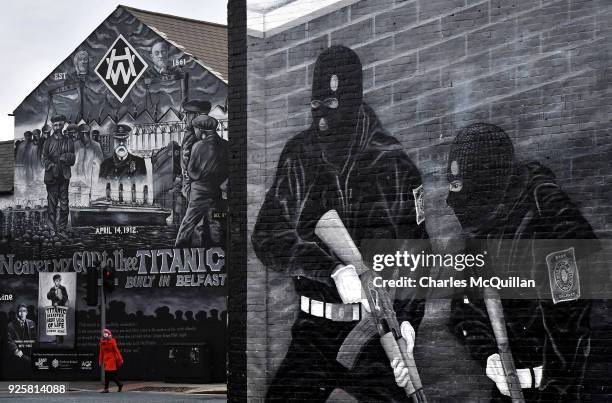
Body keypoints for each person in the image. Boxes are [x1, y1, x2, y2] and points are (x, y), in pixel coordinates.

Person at [252, 45, 429, 402]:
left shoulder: (392, 163)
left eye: (331, 106)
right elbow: (267, 235)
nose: (320, 118)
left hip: (375, 327)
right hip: (313, 332)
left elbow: (417, 250)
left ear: (353, 100)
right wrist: (332, 270)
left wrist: (408, 322)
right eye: (315, 106)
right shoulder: (299, 154)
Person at [447, 123, 597, 401]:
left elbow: (572, 318)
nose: (451, 199)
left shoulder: (550, 217)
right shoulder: (483, 228)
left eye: (459, 185)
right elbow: (464, 307)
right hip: (510, 388)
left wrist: (547, 381)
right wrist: (489, 355)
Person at [175, 115, 227, 247]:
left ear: (202, 130)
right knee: (216, 224)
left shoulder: (198, 146)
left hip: (199, 192)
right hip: (217, 192)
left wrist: (188, 175)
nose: (195, 132)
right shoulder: (226, 145)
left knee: (188, 225)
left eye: (196, 129)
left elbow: (193, 172)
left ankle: (179, 250)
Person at [41, 116, 75, 234]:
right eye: (55, 125)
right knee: (52, 205)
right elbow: (43, 159)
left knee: (64, 206)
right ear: (52, 126)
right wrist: (51, 165)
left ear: (63, 125)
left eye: (60, 125)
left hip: (64, 178)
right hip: (52, 179)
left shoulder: (69, 141)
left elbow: (73, 158)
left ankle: (62, 228)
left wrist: (66, 157)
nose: (58, 127)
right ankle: (51, 229)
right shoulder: (48, 142)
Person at [180, 99, 211, 200]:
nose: (184, 119)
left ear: (196, 116)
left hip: (196, 193)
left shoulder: (199, 139)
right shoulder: (191, 136)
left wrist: (189, 191)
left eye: (187, 115)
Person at [99, 328, 124, 393]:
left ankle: (106, 389)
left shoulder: (112, 341)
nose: (105, 334)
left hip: (111, 359)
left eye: (106, 333)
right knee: (111, 375)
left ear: (109, 334)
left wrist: (120, 358)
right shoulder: (102, 342)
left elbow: (116, 350)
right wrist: (100, 361)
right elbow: (101, 352)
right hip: (106, 360)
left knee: (108, 374)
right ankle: (119, 384)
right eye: (104, 333)